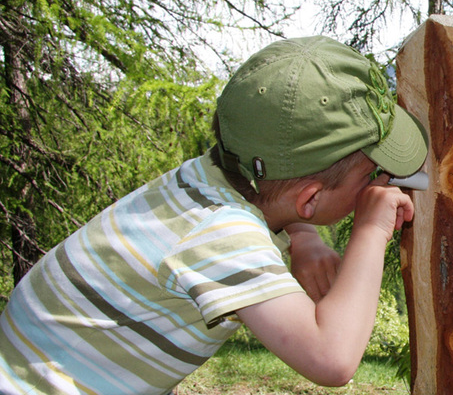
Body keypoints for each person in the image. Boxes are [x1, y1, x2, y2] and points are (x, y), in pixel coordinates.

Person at [0, 36, 429, 394]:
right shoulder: (222, 234)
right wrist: (371, 230)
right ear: (310, 199)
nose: (380, 181)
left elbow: (279, 196)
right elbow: (333, 359)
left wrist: (304, 238)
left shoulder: (210, 178)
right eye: (371, 174)